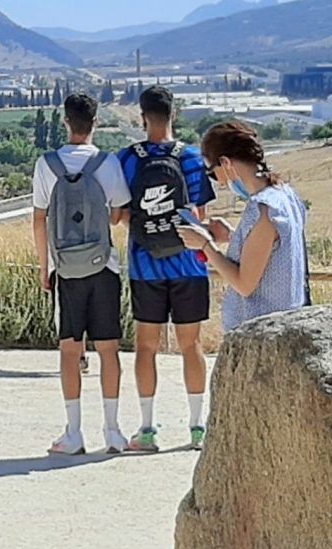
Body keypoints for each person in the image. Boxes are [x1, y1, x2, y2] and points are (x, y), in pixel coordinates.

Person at [115, 86, 216, 452]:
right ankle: (196, 428)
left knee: (146, 347)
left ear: (143, 117)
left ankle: (147, 429)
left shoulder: (128, 159)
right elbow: (200, 215)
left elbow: (122, 214)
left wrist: (148, 234)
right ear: (174, 114)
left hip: (146, 266)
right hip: (190, 264)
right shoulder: (190, 157)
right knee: (192, 346)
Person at [33, 90, 133, 456]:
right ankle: (112, 430)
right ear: (96, 122)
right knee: (108, 350)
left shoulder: (47, 165)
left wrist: (45, 267)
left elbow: (39, 219)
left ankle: (73, 433)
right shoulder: (106, 164)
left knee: (69, 350)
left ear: (65, 122)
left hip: (66, 270)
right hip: (103, 266)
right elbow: (120, 212)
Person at [183, 118, 311, 331]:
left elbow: (244, 284)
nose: (219, 182)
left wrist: (206, 246)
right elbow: (272, 251)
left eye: (211, 172)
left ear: (225, 163)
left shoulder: (264, 209)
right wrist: (234, 236)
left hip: (262, 332)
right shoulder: (286, 196)